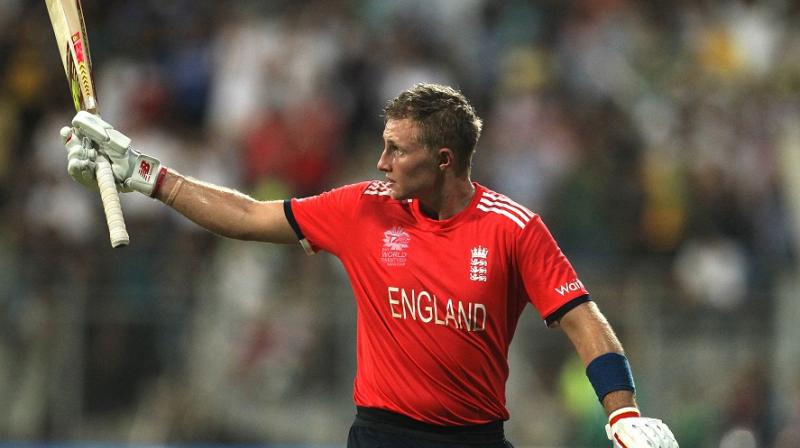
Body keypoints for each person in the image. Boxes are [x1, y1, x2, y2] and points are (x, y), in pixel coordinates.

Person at [62, 83, 678, 448]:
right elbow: (250, 216)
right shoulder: (362, 208)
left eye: (395, 149)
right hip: (381, 435)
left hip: (475, 439)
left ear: (442, 159)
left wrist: (622, 414)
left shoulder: (515, 229)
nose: (380, 161)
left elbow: (585, 322)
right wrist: (149, 176)